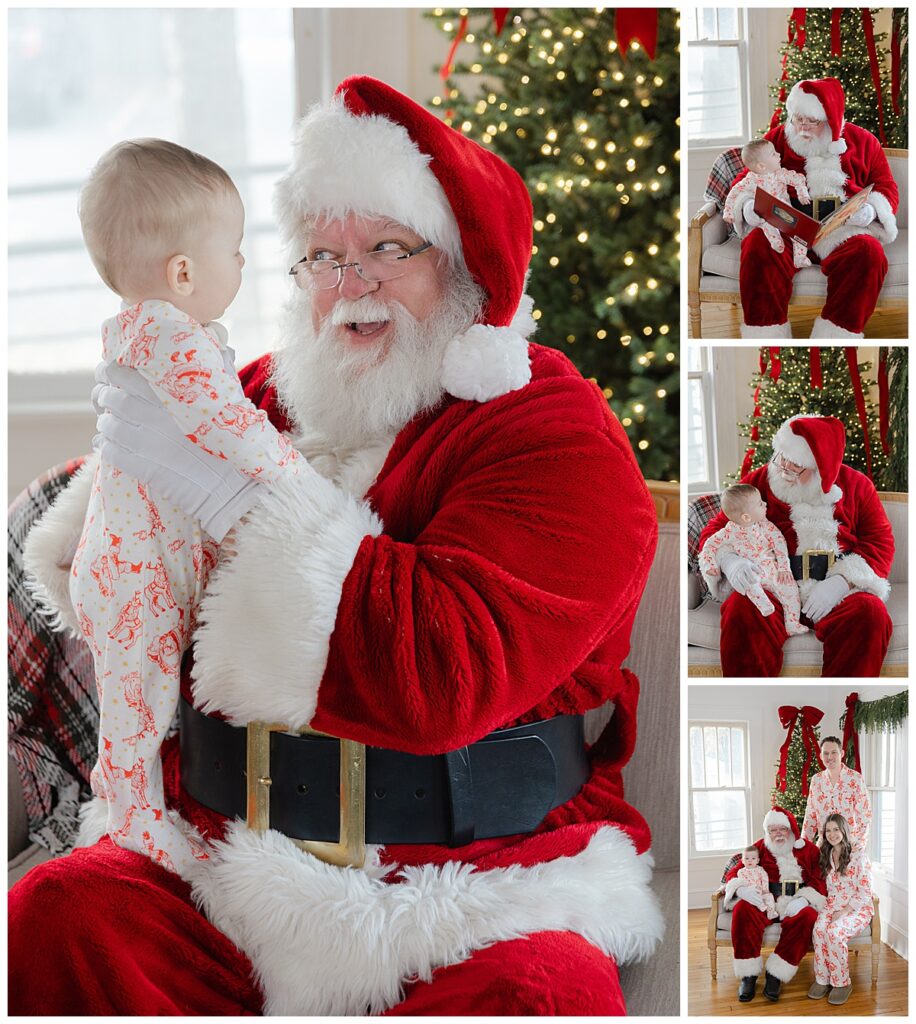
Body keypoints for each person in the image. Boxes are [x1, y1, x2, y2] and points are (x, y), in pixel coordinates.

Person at [8, 76, 664, 1015]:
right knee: (56, 918)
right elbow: (118, 577)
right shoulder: (258, 394)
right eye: (321, 256)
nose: (349, 284)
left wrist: (243, 500)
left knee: (541, 995)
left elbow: (441, 673)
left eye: (386, 249)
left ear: (464, 270)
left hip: (478, 887)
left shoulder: (550, 426)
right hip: (233, 864)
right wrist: (110, 519)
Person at [23, 139, 307, 881]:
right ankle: (134, 822)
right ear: (183, 272)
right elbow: (226, 424)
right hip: (131, 573)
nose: (243, 266)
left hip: (145, 566)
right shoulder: (165, 335)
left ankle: (144, 809)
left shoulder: (162, 333)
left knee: (151, 701)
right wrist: (293, 476)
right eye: (236, 251)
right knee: (137, 708)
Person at [699, 413, 894, 676]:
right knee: (741, 608)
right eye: (781, 460)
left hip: (834, 588)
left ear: (820, 469)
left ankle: (844, 707)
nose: (783, 471)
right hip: (773, 583)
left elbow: (879, 543)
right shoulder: (759, 482)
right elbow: (716, 529)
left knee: (870, 614)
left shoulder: (857, 486)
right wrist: (730, 560)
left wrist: (842, 582)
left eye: (795, 467)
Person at [730, 78, 899, 339]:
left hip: (842, 230)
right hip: (787, 228)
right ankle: (766, 333)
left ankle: (834, 335)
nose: (802, 128)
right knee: (757, 245)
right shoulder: (777, 139)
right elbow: (746, 179)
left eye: (812, 122)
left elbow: (886, 187)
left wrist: (872, 211)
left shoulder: (864, 142)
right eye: (798, 119)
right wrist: (749, 205)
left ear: (831, 120)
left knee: (869, 253)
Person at [723, 806, 826, 1002]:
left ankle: (776, 974)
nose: (778, 834)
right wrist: (741, 888)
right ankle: (748, 974)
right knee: (743, 909)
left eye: (782, 829)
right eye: (773, 830)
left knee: (809, 916)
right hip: (766, 899)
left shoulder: (809, 850)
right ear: (767, 832)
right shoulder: (760, 847)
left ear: (791, 830)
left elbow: (819, 880)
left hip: (796, 900)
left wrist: (805, 898)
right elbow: (733, 872)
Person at [699, 483, 806, 635]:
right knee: (748, 581)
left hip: (773, 571)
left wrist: (784, 567)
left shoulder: (766, 526)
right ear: (746, 517)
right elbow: (709, 546)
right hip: (752, 571)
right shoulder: (728, 533)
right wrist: (710, 564)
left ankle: (792, 623)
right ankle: (762, 603)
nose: (765, 504)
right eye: (760, 504)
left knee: (790, 589)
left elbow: (779, 544)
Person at [810, 813, 873, 1004]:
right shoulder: (825, 853)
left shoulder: (857, 855)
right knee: (819, 930)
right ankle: (822, 979)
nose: (832, 834)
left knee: (835, 933)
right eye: (828, 830)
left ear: (844, 830)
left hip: (857, 907)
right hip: (832, 904)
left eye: (836, 829)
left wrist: (844, 912)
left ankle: (841, 983)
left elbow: (865, 891)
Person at [723, 139, 812, 268]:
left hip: (786, 214)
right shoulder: (750, 181)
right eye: (773, 154)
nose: (779, 155)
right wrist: (728, 211)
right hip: (766, 216)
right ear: (761, 166)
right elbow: (733, 194)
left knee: (800, 234)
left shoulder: (780, 174)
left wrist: (802, 193)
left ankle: (799, 258)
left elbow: (798, 179)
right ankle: (775, 241)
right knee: (765, 224)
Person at [803, 736, 872, 850]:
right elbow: (810, 815)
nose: (830, 757)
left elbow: (865, 814)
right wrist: (804, 845)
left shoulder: (855, 778)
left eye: (834, 752)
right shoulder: (816, 780)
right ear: (821, 756)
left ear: (842, 753)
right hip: (824, 846)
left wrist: (859, 843)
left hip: (849, 846)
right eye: (826, 753)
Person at [735, 846, 778, 919]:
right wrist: (750, 890)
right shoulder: (741, 872)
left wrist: (765, 889)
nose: (750, 861)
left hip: (761, 891)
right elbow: (743, 882)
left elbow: (764, 878)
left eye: (753, 858)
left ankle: (771, 913)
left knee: (769, 897)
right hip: (750, 892)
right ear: (742, 860)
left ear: (757, 861)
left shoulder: (760, 870)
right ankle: (762, 906)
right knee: (749, 896)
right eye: (747, 858)